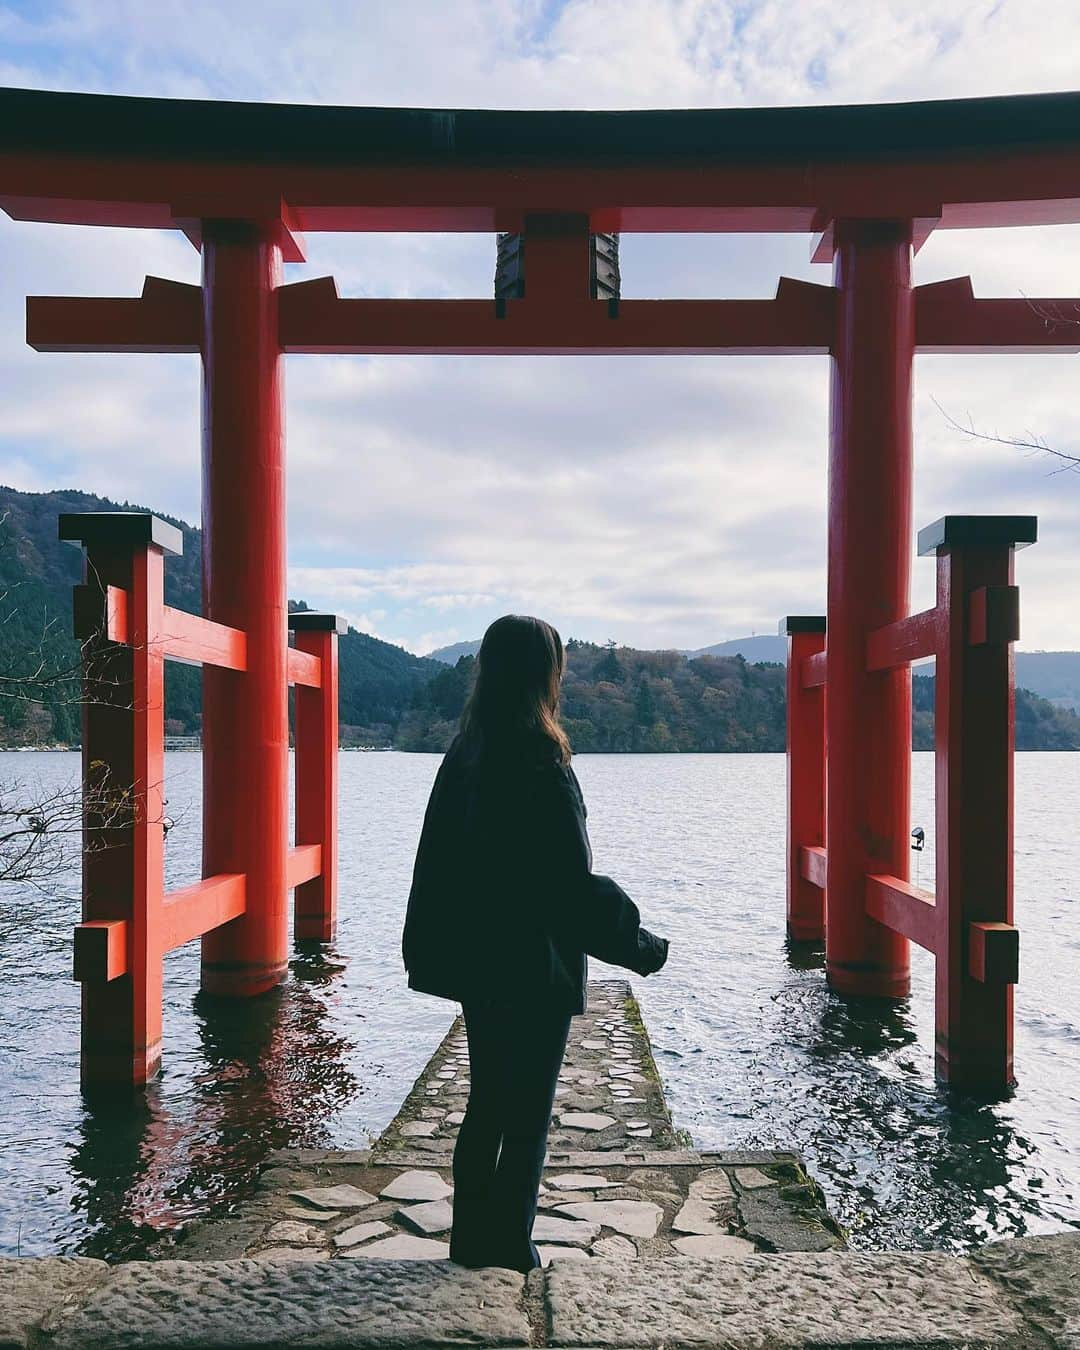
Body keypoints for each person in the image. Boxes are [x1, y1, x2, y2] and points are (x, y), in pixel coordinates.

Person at [402, 614, 670, 1273]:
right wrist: (639, 944)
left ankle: (470, 1244)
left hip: (477, 963)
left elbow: (434, 863)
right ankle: (511, 1253)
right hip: (531, 968)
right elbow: (567, 889)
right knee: (525, 1119)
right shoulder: (542, 760)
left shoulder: (465, 751)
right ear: (545, 677)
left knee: (488, 1103)